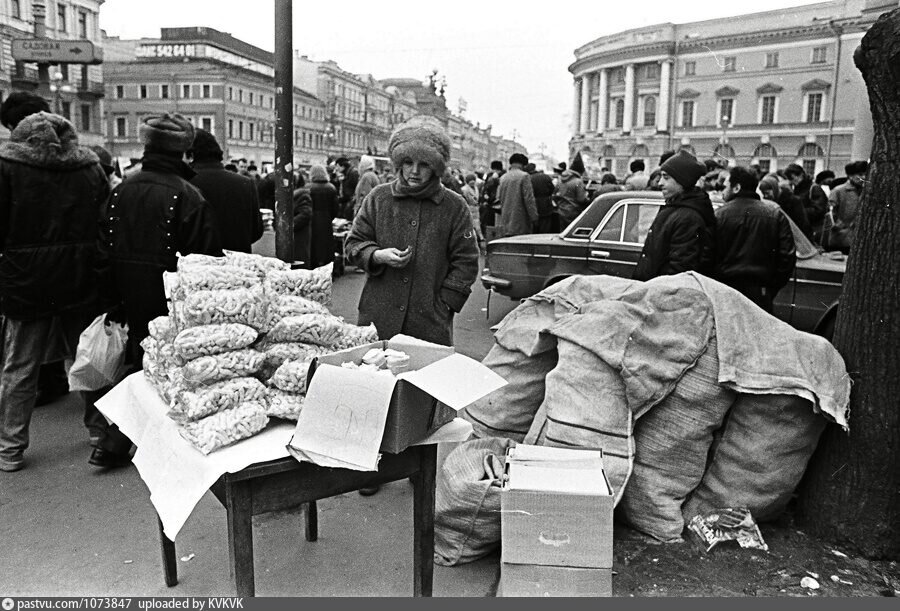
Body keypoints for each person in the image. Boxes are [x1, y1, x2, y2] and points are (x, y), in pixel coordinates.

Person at [97, 114, 222, 467]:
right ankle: (137, 444)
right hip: (171, 300)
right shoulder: (188, 195)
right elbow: (205, 262)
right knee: (169, 370)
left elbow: (102, 249)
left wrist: (111, 300)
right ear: (184, 152)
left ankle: (114, 442)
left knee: (141, 365)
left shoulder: (122, 189)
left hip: (129, 293)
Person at [0, 111, 110, 472]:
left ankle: (10, 448)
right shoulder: (90, 169)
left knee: (20, 365)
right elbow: (104, 223)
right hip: (79, 276)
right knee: (87, 359)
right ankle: (98, 432)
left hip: (25, 279)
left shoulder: (7, 168)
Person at [345, 115, 479, 347]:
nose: (414, 171)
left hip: (429, 321)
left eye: (424, 164)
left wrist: (445, 304)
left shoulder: (454, 206)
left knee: (424, 380)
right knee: (374, 378)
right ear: (398, 163)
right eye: (408, 162)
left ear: (437, 168)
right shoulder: (379, 198)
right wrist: (377, 255)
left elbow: (466, 261)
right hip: (378, 316)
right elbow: (354, 243)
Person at [713, 166, 796, 313]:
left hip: (724, 290)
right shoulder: (774, 214)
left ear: (736, 187)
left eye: (726, 186)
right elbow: (787, 257)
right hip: (760, 291)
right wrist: (771, 287)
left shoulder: (719, 215)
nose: (722, 191)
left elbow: (708, 254)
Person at [633, 150, 716, 281]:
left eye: (666, 177)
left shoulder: (688, 217)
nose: (660, 183)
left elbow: (679, 270)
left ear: (682, 181)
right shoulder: (677, 209)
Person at [188, 129, 263, 253]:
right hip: (238, 263)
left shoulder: (185, 183)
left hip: (198, 265)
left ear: (190, 155)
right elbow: (256, 231)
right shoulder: (245, 183)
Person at [827, 160, 867, 253]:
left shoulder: (867, 192)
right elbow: (830, 212)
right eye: (860, 175)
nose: (863, 177)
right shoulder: (838, 191)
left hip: (860, 239)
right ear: (850, 176)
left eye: (865, 174)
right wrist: (837, 226)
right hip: (841, 239)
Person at [307, 164, 341, 270]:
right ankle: (327, 267)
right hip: (326, 219)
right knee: (326, 244)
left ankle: (314, 265)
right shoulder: (331, 188)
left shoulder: (309, 188)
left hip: (312, 219)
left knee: (313, 244)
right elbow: (335, 208)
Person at [784, 163, 828, 244]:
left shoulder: (814, 188)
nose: (791, 181)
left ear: (801, 175)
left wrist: (798, 212)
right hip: (802, 229)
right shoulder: (797, 189)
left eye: (792, 178)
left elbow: (819, 210)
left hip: (812, 229)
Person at [497, 153, 538, 237]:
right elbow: (529, 199)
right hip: (521, 220)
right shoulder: (524, 176)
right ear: (523, 164)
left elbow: (499, 198)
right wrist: (534, 217)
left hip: (505, 220)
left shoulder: (503, 177)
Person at [554, 153, 588, 228]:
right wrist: (587, 198)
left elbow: (555, 195)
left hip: (561, 211)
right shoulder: (578, 182)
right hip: (573, 212)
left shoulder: (560, 180)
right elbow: (581, 199)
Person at [527, 162, 557, 233]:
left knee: (534, 226)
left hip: (533, 204)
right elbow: (552, 189)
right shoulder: (545, 176)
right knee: (545, 225)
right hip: (546, 204)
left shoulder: (528, 178)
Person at [292, 173, 313, 265]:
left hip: (299, 234)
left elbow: (306, 213)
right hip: (295, 233)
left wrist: (290, 225)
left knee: (299, 259)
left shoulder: (302, 195)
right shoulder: (293, 196)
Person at [479, 160, 504, 234]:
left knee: (491, 224)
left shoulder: (492, 176)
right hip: (496, 204)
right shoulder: (492, 176)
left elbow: (485, 189)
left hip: (492, 204)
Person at [461, 173, 485, 248]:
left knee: (477, 225)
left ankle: (479, 240)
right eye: (471, 181)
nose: (473, 182)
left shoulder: (476, 188)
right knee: (471, 225)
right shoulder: (464, 189)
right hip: (469, 208)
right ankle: (477, 240)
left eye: (473, 180)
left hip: (476, 209)